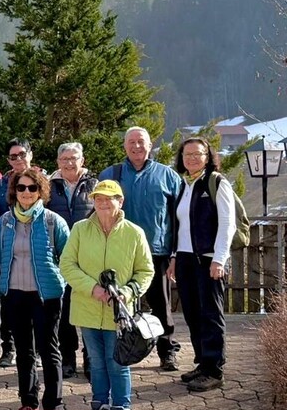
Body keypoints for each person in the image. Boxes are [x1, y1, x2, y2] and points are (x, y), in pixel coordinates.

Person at [60, 181, 154, 410]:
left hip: (119, 314)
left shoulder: (134, 233)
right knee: (97, 365)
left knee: (118, 364)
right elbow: (67, 264)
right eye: (98, 199)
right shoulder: (80, 229)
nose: (103, 203)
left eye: (108, 199)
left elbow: (145, 271)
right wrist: (92, 289)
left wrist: (127, 292)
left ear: (120, 202)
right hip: (88, 308)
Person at [100, 127, 183, 370]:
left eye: (141, 141)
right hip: (119, 251)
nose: (136, 146)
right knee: (116, 303)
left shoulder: (168, 176)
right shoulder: (111, 174)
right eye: (131, 142)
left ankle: (167, 351)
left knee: (161, 304)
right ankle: (115, 352)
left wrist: (174, 253)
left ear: (150, 144)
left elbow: (179, 219)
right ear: (124, 145)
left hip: (157, 252)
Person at [0, 168, 70, 410]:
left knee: (49, 350)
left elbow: (67, 258)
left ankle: (53, 407)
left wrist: (58, 282)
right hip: (14, 294)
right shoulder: (5, 221)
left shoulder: (53, 221)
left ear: (41, 191)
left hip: (46, 295)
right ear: (14, 191)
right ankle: (29, 404)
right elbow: (0, 255)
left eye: (32, 188)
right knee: (24, 351)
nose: (26, 192)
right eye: (21, 187)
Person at [169, 138, 237, 393]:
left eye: (197, 154)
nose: (192, 158)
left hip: (208, 259)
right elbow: (179, 226)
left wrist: (219, 259)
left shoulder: (217, 183)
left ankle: (214, 370)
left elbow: (228, 224)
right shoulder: (185, 185)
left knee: (210, 314)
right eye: (187, 154)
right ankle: (202, 363)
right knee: (192, 313)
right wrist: (175, 256)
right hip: (186, 258)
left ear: (208, 157)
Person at [47, 142, 98, 379]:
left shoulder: (94, 184)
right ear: (58, 162)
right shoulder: (49, 186)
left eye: (73, 158)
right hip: (60, 257)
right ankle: (67, 359)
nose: (69, 163)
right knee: (64, 311)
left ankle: (91, 359)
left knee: (89, 308)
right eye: (64, 159)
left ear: (82, 160)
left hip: (89, 257)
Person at [0, 139, 38, 366]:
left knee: (36, 304)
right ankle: (9, 349)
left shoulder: (41, 180)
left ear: (30, 154)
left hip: (35, 249)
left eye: (22, 154)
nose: (18, 159)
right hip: (8, 250)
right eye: (13, 156)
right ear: (8, 160)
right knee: (8, 302)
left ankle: (35, 352)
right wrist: (8, 229)